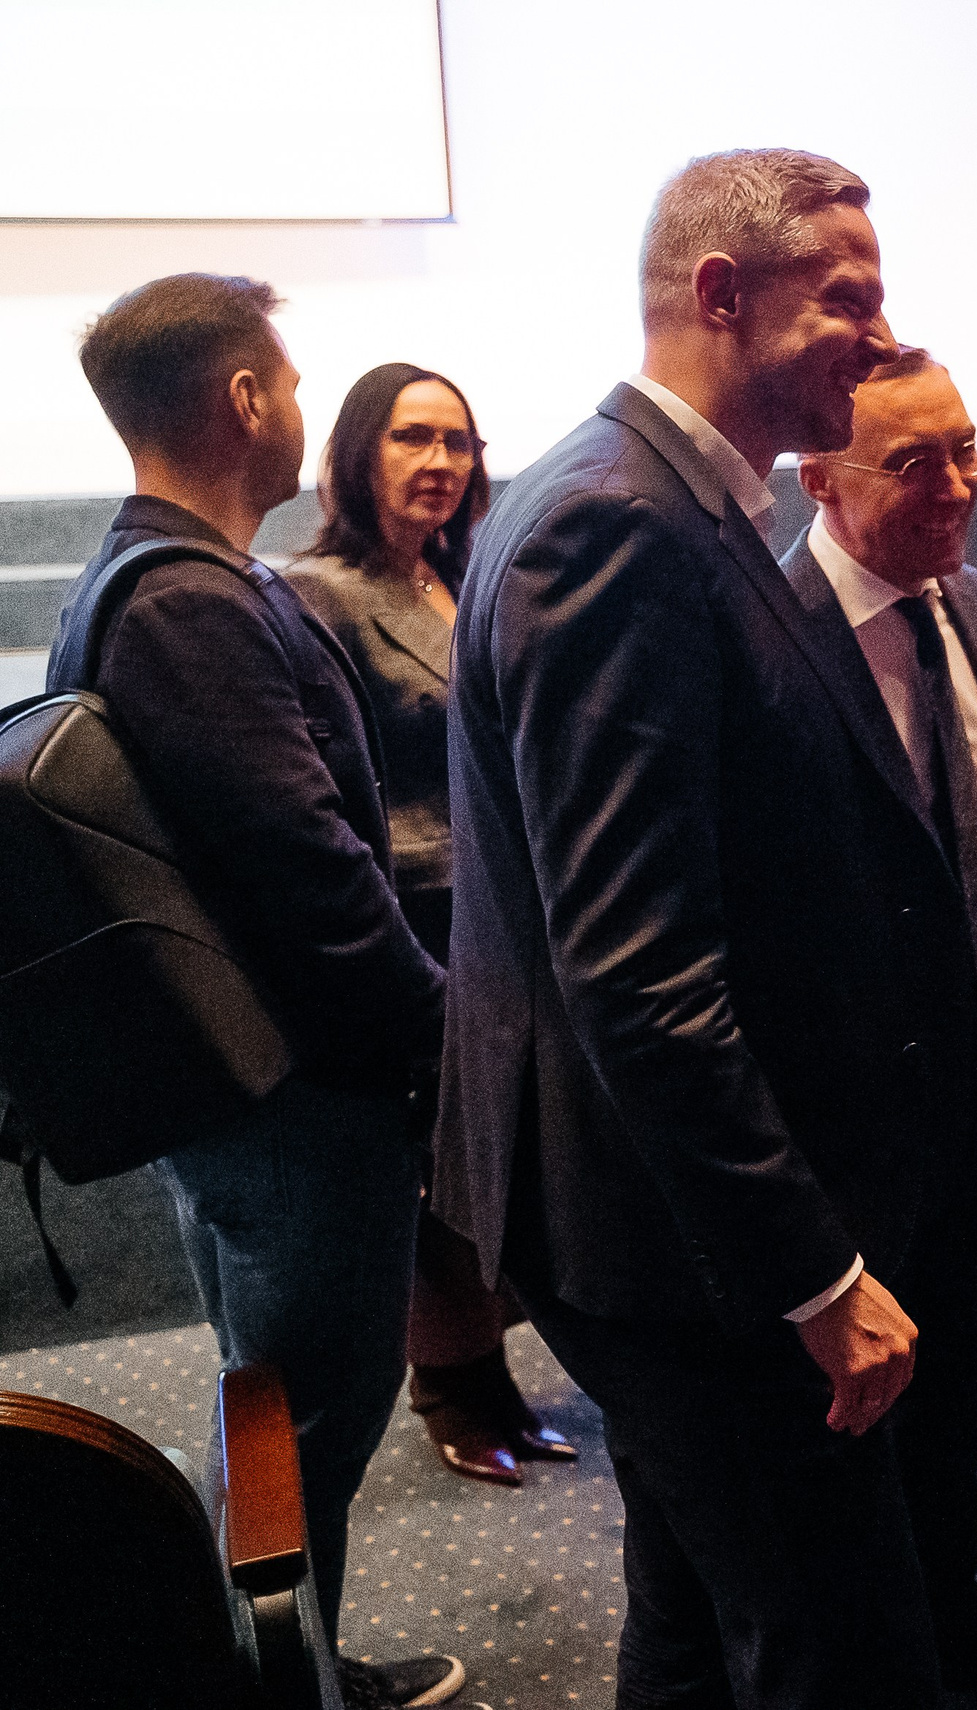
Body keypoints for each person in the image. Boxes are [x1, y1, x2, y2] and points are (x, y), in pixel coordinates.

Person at [436, 150, 963, 1708]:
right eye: (846, 297)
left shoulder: (674, 504)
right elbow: (639, 970)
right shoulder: (616, 530)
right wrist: (814, 1276)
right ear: (722, 297)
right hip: (686, 1252)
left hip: (663, 1223)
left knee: (689, 1618)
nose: (878, 334)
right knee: (844, 1648)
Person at [56, 275, 467, 1709]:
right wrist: (448, 1046)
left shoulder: (146, 581)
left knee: (273, 1422)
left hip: (239, 1094)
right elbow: (313, 877)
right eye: (288, 383)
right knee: (306, 1432)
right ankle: (284, 1686)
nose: (299, 406)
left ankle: (303, 1675)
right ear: (246, 400)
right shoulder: (191, 609)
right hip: (296, 1116)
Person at [779, 347, 977, 1710]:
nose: (959, 484)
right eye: (916, 461)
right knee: (841, 1437)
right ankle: (879, 1654)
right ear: (820, 475)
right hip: (843, 1134)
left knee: (959, 1385)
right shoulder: (761, 631)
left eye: (970, 448)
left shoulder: (973, 603)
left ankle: (950, 1613)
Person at [285, 363, 575, 1489]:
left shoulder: (467, 576)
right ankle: (450, 1386)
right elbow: (324, 791)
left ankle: (489, 1376)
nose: (441, 464)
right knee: (434, 1176)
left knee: (494, 1159)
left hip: (501, 911)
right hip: (409, 920)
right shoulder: (317, 593)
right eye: (413, 439)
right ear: (359, 454)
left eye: (457, 442)